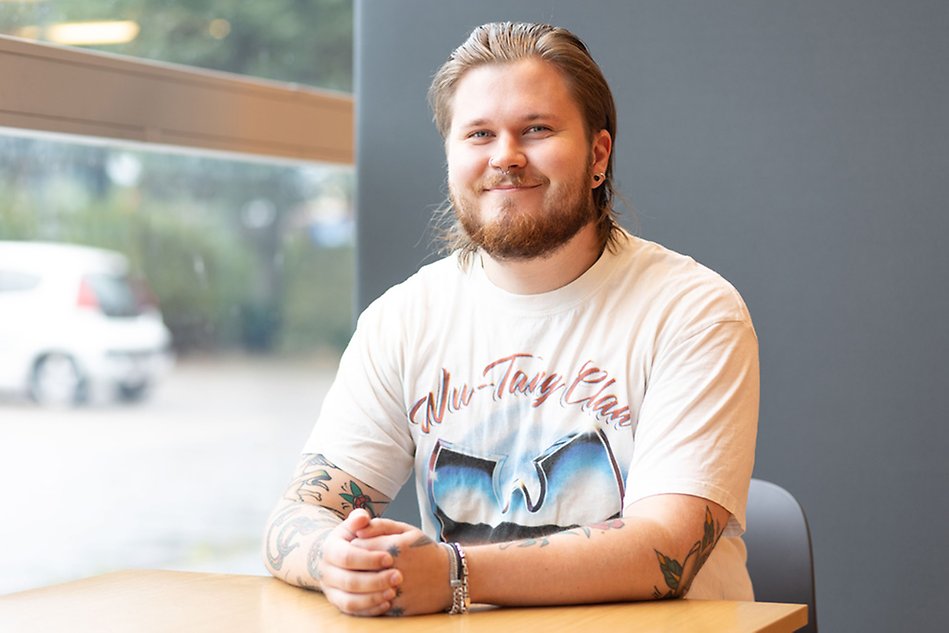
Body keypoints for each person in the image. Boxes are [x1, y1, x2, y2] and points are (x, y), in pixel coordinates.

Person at [262, 21, 758, 617]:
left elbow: (664, 550)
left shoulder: (694, 312)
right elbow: (296, 515)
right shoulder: (402, 319)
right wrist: (332, 559)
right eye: (478, 134)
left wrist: (454, 574)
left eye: (537, 129)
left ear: (598, 154)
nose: (506, 156)